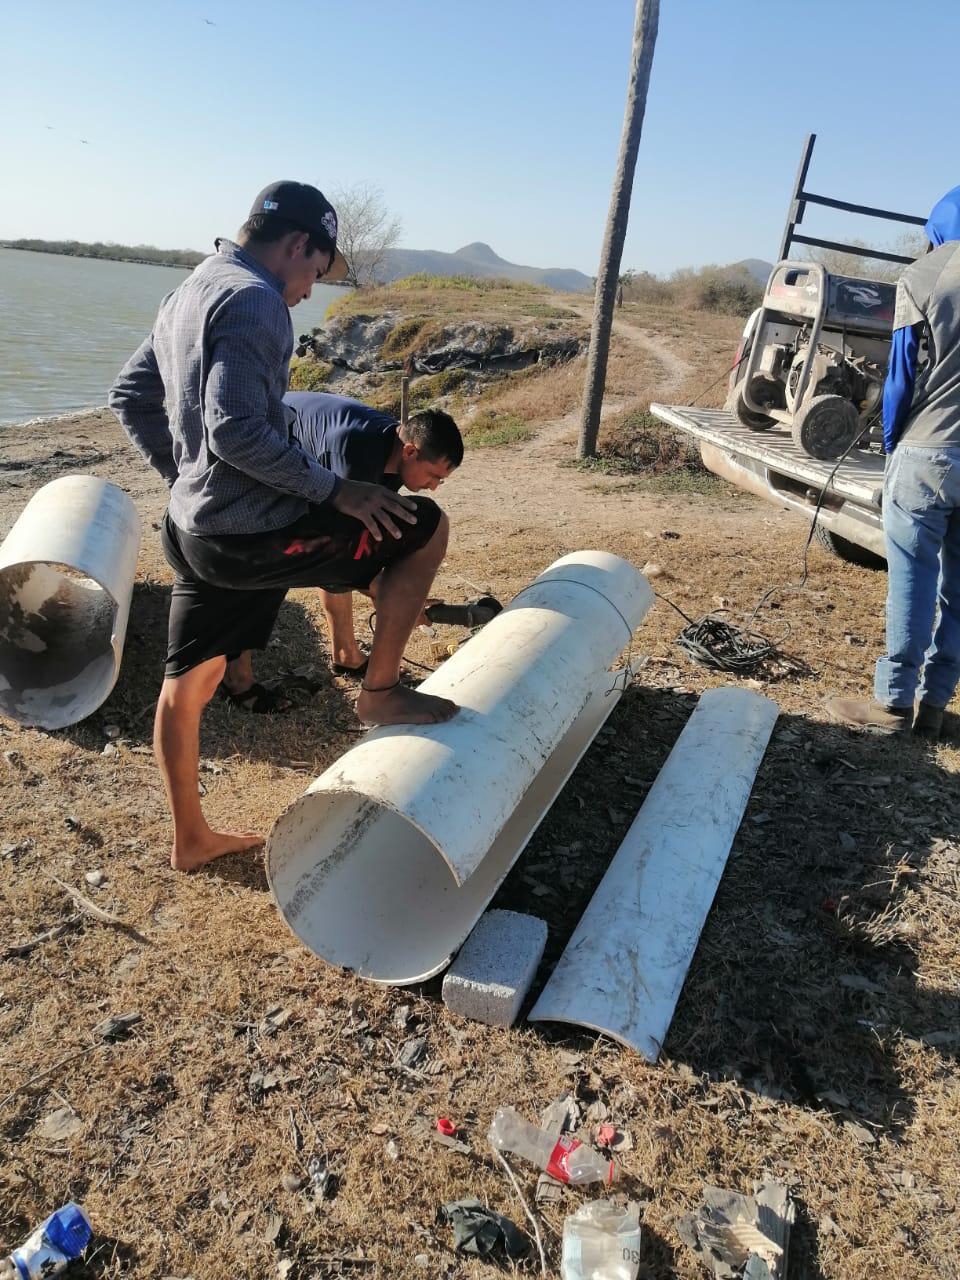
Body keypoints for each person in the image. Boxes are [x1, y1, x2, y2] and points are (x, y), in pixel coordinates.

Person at [109, 181, 457, 872]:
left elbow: (129, 395)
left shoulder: (191, 288)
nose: (307, 293)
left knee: (186, 687)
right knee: (425, 525)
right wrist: (337, 490)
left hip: (194, 531)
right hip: (250, 536)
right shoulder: (256, 299)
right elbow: (235, 428)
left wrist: (183, 480)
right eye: (315, 274)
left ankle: (191, 839)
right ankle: (379, 692)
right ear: (298, 244)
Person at [826, 185, 960, 741]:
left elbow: (902, 375)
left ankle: (893, 702)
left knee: (913, 573)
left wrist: (889, 441)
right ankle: (936, 707)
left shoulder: (925, 276)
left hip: (929, 451)